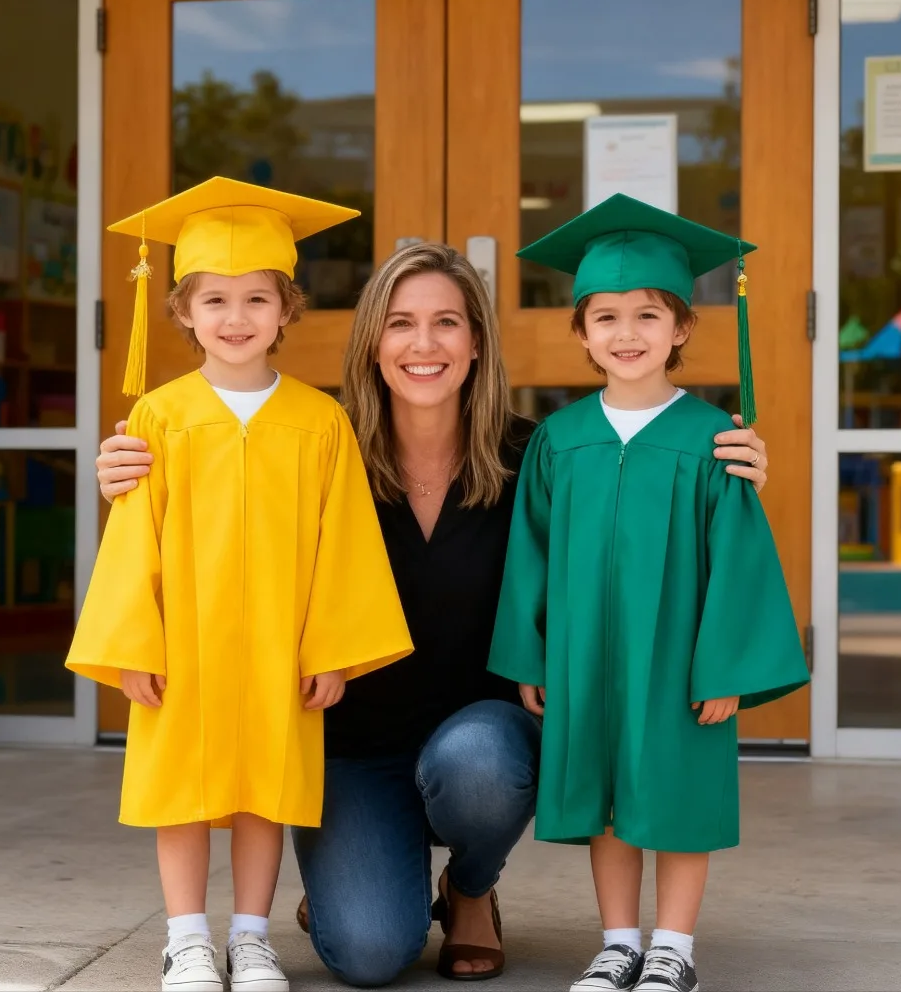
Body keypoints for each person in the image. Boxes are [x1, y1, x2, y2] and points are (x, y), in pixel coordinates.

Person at [94, 237, 772, 985]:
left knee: (480, 762)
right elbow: (223, 503)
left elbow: (633, 530)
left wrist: (723, 475)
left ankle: (470, 889)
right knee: (371, 954)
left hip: (479, 740)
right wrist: (133, 470)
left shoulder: (541, 456)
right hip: (353, 741)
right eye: (400, 323)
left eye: (446, 322)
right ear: (372, 342)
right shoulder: (316, 442)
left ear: (477, 341)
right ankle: (360, 883)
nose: (424, 344)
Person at [66, 177, 412, 992]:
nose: (235, 318)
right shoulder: (158, 415)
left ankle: (251, 936)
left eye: (257, 299)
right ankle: (187, 939)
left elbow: (346, 545)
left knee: (266, 790)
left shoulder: (320, 421)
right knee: (181, 794)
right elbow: (131, 538)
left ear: (288, 310)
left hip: (281, 652)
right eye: (213, 300)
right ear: (181, 312)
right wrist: (128, 644)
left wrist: (334, 648)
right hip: (180, 648)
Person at [487, 193, 810, 992]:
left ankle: (674, 948)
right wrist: (530, 653)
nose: (626, 334)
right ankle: (618, 941)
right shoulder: (559, 440)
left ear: (682, 328)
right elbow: (526, 554)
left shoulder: (712, 439)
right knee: (603, 797)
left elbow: (738, 558)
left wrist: (728, 667)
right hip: (586, 657)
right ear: (581, 331)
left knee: (677, 795)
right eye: (605, 317)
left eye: (647, 315)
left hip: (680, 662)